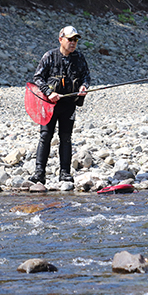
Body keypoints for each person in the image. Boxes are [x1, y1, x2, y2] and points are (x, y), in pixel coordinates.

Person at [30, 26, 91, 184]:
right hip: (49, 105)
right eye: (70, 39)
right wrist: (49, 93)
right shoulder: (49, 56)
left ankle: (64, 173)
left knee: (66, 138)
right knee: (45, 137)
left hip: (69, 104)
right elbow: (37, 78)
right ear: (61, 39)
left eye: (75, 40)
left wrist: (84, 87)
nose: (73, 43)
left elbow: (86, 77)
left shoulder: (79, 58)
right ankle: (39, 174)